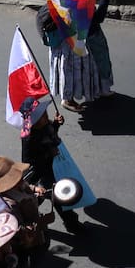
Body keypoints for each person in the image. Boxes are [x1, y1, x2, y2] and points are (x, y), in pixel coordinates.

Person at [39, 0, 111, 112]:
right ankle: (68, 100)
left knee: (68, 72)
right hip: (78, 45)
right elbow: (98, 18)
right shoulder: (82, 4)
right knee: (85, 69)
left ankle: (85, 93)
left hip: (63, 45)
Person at [18, 95, 82, 234]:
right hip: (40, 174)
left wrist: (56, 125)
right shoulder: (29, 137)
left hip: (52, 168)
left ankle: (71, 223)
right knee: (52, 197)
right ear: (33, 122)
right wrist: (48, 153)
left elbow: (50, 133)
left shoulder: (45, 125)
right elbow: (28, 162)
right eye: (41, 115)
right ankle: (71, 224)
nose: (45, 116)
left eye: (44, 113)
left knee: (50, 198)